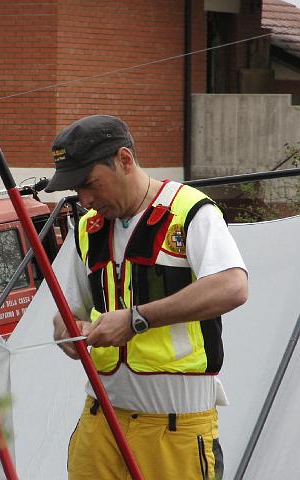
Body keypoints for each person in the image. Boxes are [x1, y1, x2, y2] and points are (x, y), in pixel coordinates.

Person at [44, 115, 248, 480]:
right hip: (100, 421)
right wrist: (66, 329)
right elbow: (69, 311)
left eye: (89, 184)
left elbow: (232, 286)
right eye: (76, 189)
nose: (85, 199)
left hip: (175, 426)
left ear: (124, 160)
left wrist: (136, 319)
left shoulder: (190, 211)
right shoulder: (88, 228)